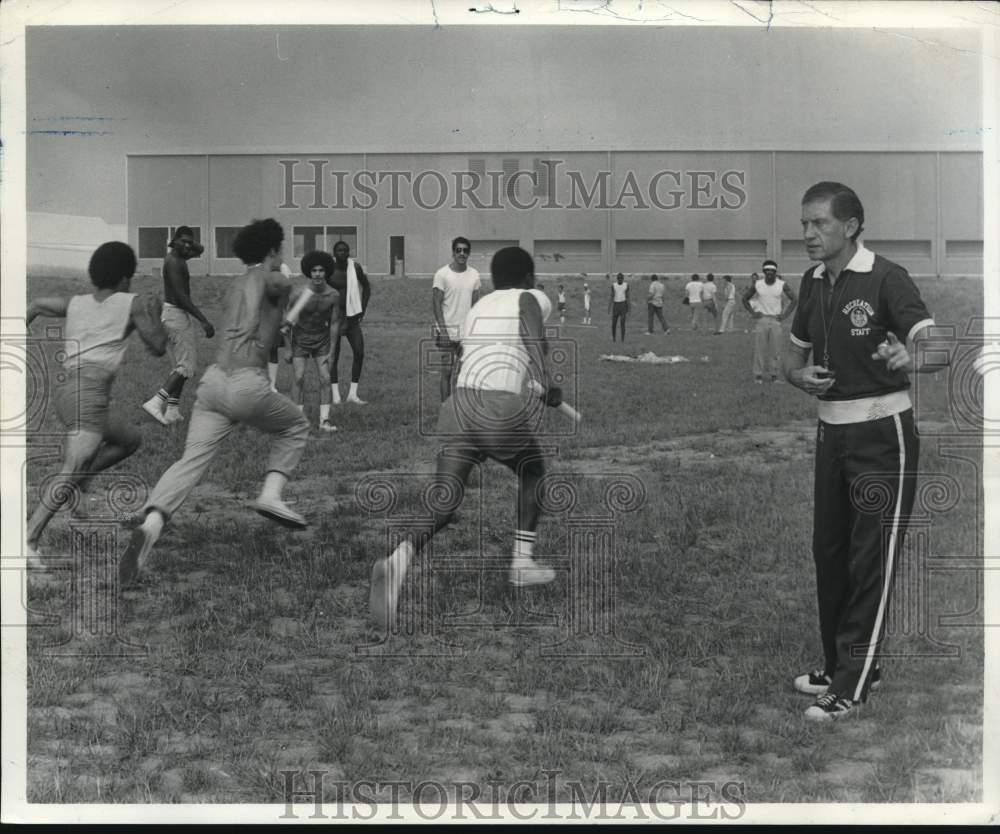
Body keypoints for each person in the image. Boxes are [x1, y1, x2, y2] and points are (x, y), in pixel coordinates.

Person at [785, 182, 943, 722]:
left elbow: (938, 348)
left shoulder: (886, 277)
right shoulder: (811, 282)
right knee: (828, 554)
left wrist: (910, 359)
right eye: (804, 224)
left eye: (819, 224)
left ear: (850, 226)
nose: (808, 234)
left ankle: (852, 686)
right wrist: (797, 375)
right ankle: (842, 663)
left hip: (882, 435)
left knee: (868, 558)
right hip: (831, 435)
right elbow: (793, 355)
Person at [369, 246, 561, 631]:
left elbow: (467, 353)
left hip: (457, 406)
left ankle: (399, 559)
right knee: (533, 472)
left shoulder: (479, 307)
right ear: (528, 276)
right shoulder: (532, 296)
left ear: (492, 278)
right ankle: (522, 562)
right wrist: (546, 380)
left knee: (445, 503)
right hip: (496, 408)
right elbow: (531, 331)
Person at [119, 219, 312, 585]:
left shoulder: (233, 285)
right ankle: (271, 496)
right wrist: (286, 285)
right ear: (273, 249)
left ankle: (152, 523)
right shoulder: (275, 279)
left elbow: (254, 327)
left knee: (191, 460)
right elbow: (272, 287)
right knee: (296, 426)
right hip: (246, 384)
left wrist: (278, 325)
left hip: (212, 385)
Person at [25, 242, 167, 565]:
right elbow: (158, 345)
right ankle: (30, 537)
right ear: (124, 278)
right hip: (88, 397)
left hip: (69, 394)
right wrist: (154, 312)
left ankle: (83, 479)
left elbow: (36, 304)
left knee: (129, 439)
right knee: (71, 468)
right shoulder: (132, 302)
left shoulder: (77, 302)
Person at [141, 227, 213, 425]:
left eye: (190, 242)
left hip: (171, 314)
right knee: (186, 366)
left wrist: (186, 242)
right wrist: (203, 320)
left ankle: (172, 410)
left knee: (180, 366)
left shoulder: (178, 256)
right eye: (183, 241)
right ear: (175, 241)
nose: (188, 245)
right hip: (176, 314)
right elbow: (182, 297)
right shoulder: (173, 262)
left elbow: (200, 250)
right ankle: (156, 402)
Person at [288, 251, 341, 432]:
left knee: (326, 378)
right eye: (314, 271)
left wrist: (333, 350)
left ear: (326, 272)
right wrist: (288, 348)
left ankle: (324, 421)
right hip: (300, 339)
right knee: (298, 377)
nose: (317, 274)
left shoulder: (333, 295)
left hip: (322, 340)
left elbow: (334, 323)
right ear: (309, 273)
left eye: (321, 270)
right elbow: (288, 321)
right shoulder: (298, 294)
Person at [433, 237, 481, 401]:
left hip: (465, 334)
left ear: (469, 253)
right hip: (447, 333)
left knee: (461, 376)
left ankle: (457, 412)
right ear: (453, 252)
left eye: (465, 250)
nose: (462, 253)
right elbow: (436, 304)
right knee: (446, 373)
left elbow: (476, 306)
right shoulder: (442, 274)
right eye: (458, 250)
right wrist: (444, 331)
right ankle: (445, 409)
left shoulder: (474, 274)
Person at [326, 240, 371, 405]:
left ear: (349, 252)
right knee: (334, 356)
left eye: (345, 250)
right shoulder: (329, 270)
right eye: (339, 250)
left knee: (359, 352)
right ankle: (336, 396)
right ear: (334, 253)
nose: (343, 253)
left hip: (352, 317)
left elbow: (366, 287)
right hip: (334, 319)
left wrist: (363, 310)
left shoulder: (355, 268)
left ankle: (353, 394)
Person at [743, 259, 797, 383]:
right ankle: (758, 376)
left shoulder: (782, 284)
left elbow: (794, 299)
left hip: (776, 320)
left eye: (772, 271)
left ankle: (774, 376)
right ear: (763, 272)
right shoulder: (758, 284)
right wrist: (753, 313)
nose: (769, 273)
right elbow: (744, 298)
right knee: (760, 349)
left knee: (776, 350)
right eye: (767, 271)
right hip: (762, 319)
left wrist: (785, 315)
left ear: (775, 272)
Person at [609, 272, 630, 342]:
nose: (620, 280)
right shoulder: (613, 285)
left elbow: (627, 297)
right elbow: (612, 296)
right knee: (614, 323)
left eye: (621, 279)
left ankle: (622, 339)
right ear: (617, 279)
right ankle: (614, 338)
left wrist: (629, 307)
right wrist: (609, 306)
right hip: (616, 305)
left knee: (622, 323)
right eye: (619, 279)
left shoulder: (626, 285)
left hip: (623, 305)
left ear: (623, 279)